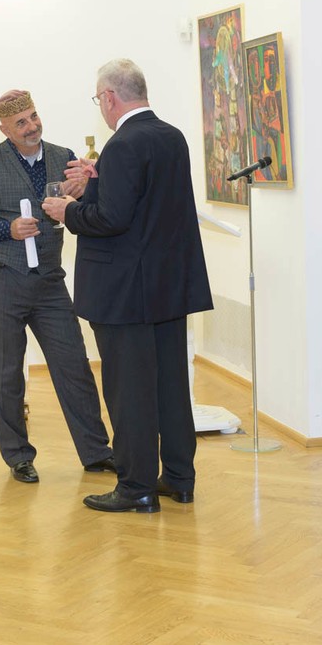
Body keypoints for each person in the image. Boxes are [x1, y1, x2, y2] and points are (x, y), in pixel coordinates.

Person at [43, 58, 213, 513]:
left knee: (129, 391)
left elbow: (111, 220)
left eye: (99, 99)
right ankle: (178, 478)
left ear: (109, 97)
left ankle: (136, 486)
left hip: (125, 293)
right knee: (170, 386)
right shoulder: (171, 137)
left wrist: (67, 211)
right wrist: (99, 181)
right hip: (167, 288)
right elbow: (147, 206)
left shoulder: (122, 145)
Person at [0, 90, 116, 484]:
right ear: (5, 130)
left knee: (74, 366)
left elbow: (88, 210)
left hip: (49, 282)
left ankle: (97, 452)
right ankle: (19, 456)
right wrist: (4, 229)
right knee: (5, 373)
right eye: (21, 122)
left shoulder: (65, 157)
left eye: (34, 116)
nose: (32, 126)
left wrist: (84, 193)